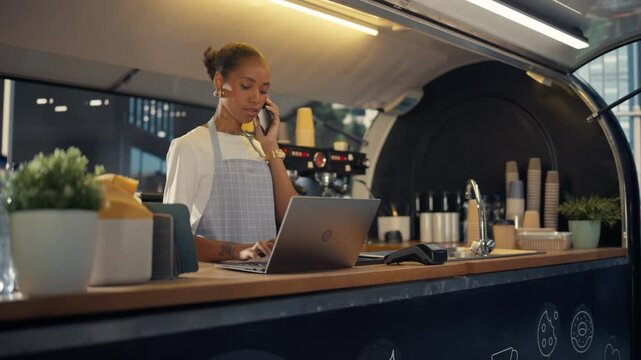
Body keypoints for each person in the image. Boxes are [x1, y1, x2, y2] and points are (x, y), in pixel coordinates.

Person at [164, 42, 297, 262]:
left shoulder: (259, 148)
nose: (256, 98)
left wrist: (271, 147)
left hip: (269, 281)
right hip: (220, 284)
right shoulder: (189, 146)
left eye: (263, 90)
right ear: (219, 82)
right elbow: (173, 236)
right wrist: (238, 251)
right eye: (246, 86)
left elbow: (293, 221)